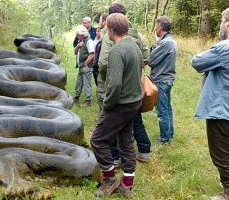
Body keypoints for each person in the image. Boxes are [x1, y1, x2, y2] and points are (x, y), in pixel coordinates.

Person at [191, 4, 229, 200]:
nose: (220, 24)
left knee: (222, 154)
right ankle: (228, 183)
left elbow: (197, 61)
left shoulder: (226, 47)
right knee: (227, 148)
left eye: (221, 20)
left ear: (228, 21)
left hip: (222, 108)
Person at [90, 13, 143, 199]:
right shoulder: (135, 46)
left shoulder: (117, 51)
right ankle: (127, 185)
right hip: (134, 102)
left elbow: (114, 85)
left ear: (111, 30)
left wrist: (108, 104)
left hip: (120, 104)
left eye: (106, 28)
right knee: (126, 141)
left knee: (97, 140)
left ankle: (110, 180)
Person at [98, 3, 151, 167]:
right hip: (134, 93)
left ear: (110, 27)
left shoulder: (115, 45)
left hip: (120, 97)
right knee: (130, 132)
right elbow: (146, 59)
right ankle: (139, 159)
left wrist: (107, 104)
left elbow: (105, 67)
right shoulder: (137, 38)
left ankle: (111, 167)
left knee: (100, 137)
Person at [148, 16, 177, 145]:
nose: (155, 28)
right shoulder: (169, 41)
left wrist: (155, 46)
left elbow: (151, 60)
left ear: (159, 28)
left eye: (156, 26)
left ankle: (165, 139)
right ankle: (169, 135)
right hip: (167, 79)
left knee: (162, 111)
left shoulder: (165, 43)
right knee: (167, 109)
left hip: (162, 80)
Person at [73, 25, 95, 107]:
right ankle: (76, 97)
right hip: (81, 67)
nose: (76, 35)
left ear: (82, 34)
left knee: (87, 83)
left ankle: (88, 100)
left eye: (77, 34)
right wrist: (78, 47)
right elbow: (75, 52)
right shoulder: (80, 41)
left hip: (86, 67)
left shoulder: (89, 41)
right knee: (79, 82)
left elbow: (92, 54)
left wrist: (85, 64)